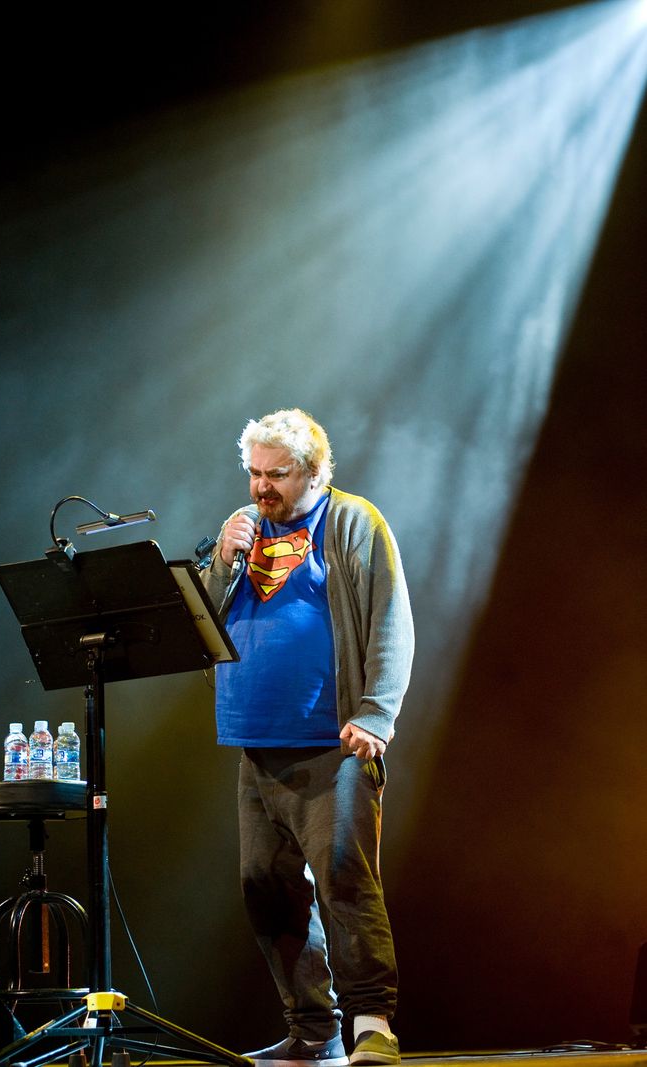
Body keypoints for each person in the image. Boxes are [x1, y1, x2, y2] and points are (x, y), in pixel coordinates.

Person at [200, 408, 414, 1067]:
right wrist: (222, 562)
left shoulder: (351, 521)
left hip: (334, 743)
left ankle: (371, 1024)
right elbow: (199, 627)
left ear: (314, 470)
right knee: (265, 885)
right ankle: (313, 1030)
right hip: (257, 744)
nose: (262, 487)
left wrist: (376, 715)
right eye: (254, 473)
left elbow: (391, 623)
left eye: (278, 474)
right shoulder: (241, 532)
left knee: (344, 878)